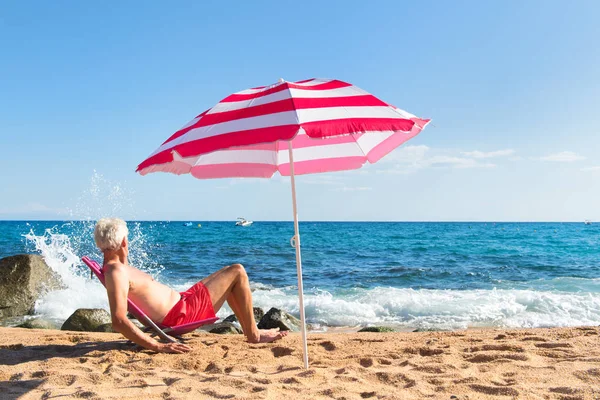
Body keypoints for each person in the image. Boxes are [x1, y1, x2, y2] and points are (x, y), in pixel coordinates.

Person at [93, 218, 287, 354]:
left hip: (183, 302)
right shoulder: (116, 271)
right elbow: (118, 320)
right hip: (181, 315)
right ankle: (253, 334)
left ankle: (251, 329)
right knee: (237, 271)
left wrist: (123, 256)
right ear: (124, 241)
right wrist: (158, 346)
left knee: (229, 271)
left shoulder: (118, 267)